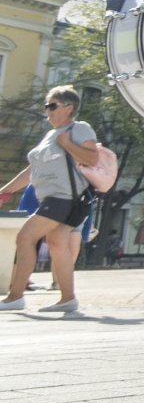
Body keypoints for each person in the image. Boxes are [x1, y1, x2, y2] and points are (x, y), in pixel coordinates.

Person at [0, 85, 102, 314]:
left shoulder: (79, 128)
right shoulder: (50, 134)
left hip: (64, 197)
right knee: (57, 245)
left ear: (69, 107)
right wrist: (5, 191)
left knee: (26, 236)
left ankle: (14, 297)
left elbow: (92, 158)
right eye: (47, 105)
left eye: (52, 105)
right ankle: (68, 299)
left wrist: (67, 144)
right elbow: (31, 171)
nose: (47, 110)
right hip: (54, 197)